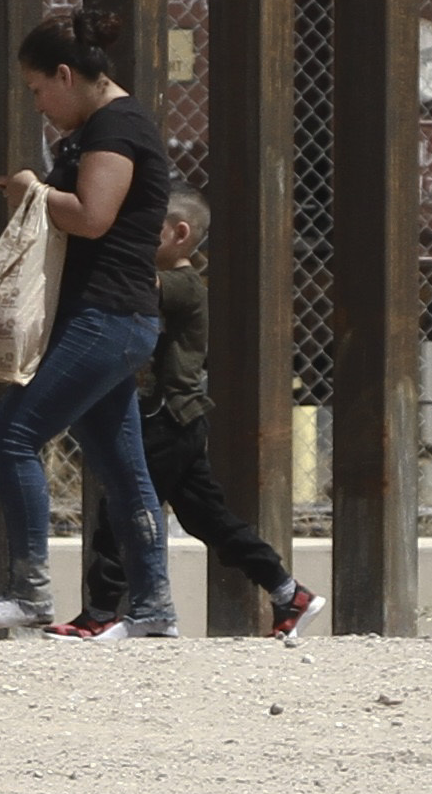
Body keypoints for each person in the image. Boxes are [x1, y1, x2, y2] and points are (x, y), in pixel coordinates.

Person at [0, 7, 176, 642]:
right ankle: (153, 609)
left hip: (108, 316)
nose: (37, 104)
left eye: (38, 90)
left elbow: (91, 216)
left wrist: (33, 191)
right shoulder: (100, 128)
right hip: (109, 316)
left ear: (66, 74)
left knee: (12, 434)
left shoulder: (117, 126)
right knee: (122, 468)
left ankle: (30, 590)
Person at [132, 191, 320, 639]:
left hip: (170, 416)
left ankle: (101, 611)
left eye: (147, 229)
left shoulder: (181, 283)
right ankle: (287, 591)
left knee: (125, 507)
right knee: (206, 518)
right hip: (176, 418)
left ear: (180, 235)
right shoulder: (168, 278)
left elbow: (134, 286)